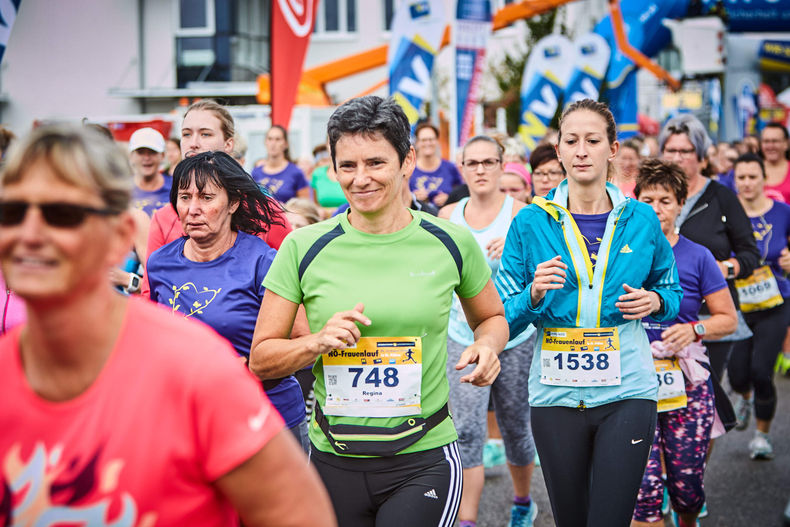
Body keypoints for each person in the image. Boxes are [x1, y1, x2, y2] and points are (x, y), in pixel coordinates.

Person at [0, 124, 335, 526]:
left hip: (273, 411)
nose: (30, 234)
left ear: (118, 237)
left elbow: (299, 515)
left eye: (62, 215)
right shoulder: (161, 265)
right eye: (12, 211)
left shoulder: (199, 367)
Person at [250, 95, 509, 527]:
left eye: (375, 163)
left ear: (407, 161)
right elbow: (261, 359)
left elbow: (492, 317)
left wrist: (487, 345)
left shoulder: (450, 241)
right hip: (333, 461)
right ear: (331, 169)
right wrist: (316, 342)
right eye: (347, 166)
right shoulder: (303, 246)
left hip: (423, 458)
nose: (360, 178)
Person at [497, 99, 682, 527]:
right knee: (572, 520)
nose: (581, 150)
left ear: (612, 149)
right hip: (555, 394)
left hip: (627, 392)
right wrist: (533, 294)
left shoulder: (641, 219)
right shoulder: (529, 222)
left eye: (593, 140)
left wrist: (655, 302)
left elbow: (672, 294)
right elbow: (503, 317)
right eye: (571, 140)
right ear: (558, 149)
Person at [147, 151, 307, 448]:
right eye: (184, 197)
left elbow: (302, 340)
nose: (193, 209)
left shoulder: (262, 261)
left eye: (206, 198)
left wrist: (239, 374)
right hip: (191, 423)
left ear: (233, 203)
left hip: (268, 422)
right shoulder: (159, 264)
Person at [632, 158, 737, 527]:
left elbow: (728, 318)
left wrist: (695, 329)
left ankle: (686, 517)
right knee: (640, 492)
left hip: (687, 384)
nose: (656, 209)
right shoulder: (621, 255)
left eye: (665, 200)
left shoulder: (698, 255)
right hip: (631, 382)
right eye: (647, 200)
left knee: (687, 488)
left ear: (680, 204)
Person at [439, 136, 537, 527]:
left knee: (515, 425)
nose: (480, 170)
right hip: (462, 336)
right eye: (472, 163)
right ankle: (467, 520)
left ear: (502, 166)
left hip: (513, 338)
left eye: (488, 162)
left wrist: (513, 254)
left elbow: (542, 279)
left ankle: (523, 500)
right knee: (464, 429)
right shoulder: (447, 216)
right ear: (462, 168)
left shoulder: (522, 214)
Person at [659, 114, 761, 380]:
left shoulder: (722, 197)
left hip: (709, 313)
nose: (677, 157)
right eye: (671, 150)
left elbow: (751, 253)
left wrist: (721, 269)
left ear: (701, 156)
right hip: (661, 315)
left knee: (707, 391)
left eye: (685, 151)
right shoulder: (648, 198)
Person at [146, 100, 292, 265]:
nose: (193, 143)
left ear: (228, 144)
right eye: (186, 134)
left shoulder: (264, 210)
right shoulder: (163, 218)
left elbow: (290, 272)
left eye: (205, 134)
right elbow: (151, 287)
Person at [728, 152, 790, 460]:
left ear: (765, 178)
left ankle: (762, 436)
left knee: (762, 371)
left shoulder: (783, 212)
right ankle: (746, 398)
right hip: (738, 304)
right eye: (742, 177)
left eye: (753, 176)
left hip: (776, 301)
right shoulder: (727, 213)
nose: (748, 183)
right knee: (738, 375)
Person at [251, 125, 310, 203]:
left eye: (278, 139)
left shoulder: (296, 172)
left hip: (287, 214)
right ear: (265, 142)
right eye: (270, 139)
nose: (273, 143)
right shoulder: (256, 172)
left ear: (286, 144)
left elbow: (305, 207)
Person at [410, 122, 464, 207]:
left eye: (431, 139)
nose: (428, 143)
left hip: (444, 217)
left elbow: (462, 194)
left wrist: (449, 199)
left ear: (437, 141)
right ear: (417, 143)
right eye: (423, 140)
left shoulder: (450, 168)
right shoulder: (409, 169)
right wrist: (413, 198)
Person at [129, 127, 171, 217]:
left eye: (152, 152)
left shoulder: (177, 188)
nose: (147, 158)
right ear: (131, 156)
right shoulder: (121, 190)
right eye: (141, 152)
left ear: (163, 156)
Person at [761, 123, 790, 203]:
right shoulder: (751, 170)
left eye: (775, 141)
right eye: (766, 141)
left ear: (786, 144)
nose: (770, 146)